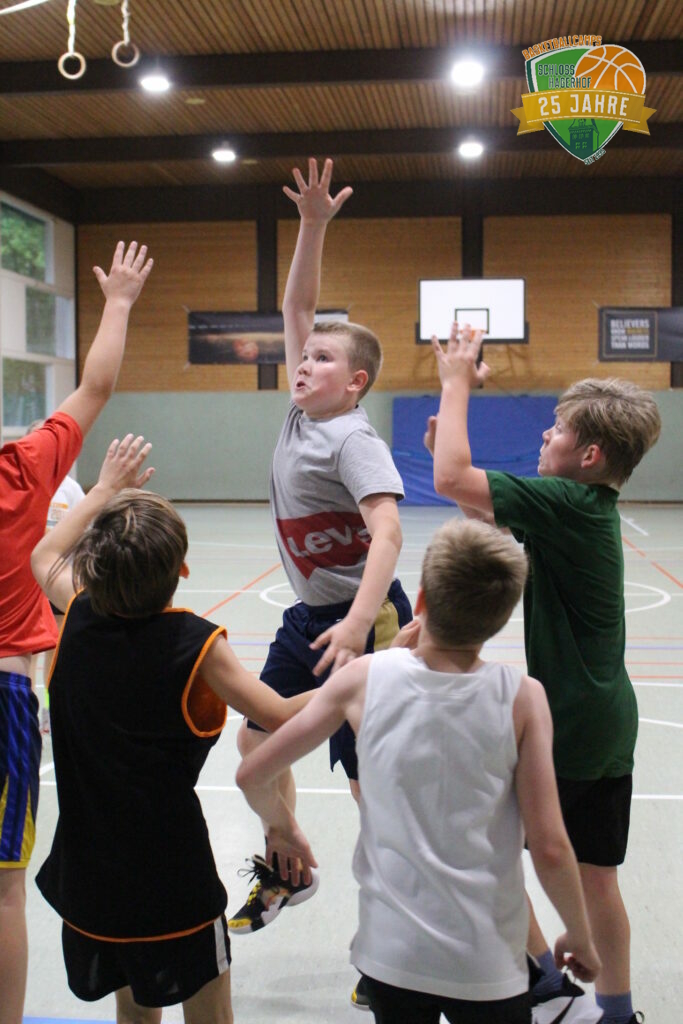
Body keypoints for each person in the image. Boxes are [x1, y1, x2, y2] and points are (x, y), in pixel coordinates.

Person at [236, 518, 602, 1024]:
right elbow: (550, 846)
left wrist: (283, 828)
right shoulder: (522, 697)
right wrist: (579, 934)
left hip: (390, 958)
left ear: (422, 599)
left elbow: (251, 773)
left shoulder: (363, 678)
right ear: (499, 620)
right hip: (486, 962)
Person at [30, 435, 316, 1024]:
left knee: (134, 1015)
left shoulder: (77, 614)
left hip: (88, 878)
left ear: (92, 566)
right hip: (171, 882)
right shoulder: (197, 647)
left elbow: (45, 553)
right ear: (182, 570)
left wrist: (105, 488)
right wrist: (368, 675)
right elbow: (284, 716)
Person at [428, 323, 661, 1024]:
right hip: (604, 719)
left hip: (571, 725)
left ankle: (547, 984)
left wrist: (456, 383)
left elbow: (450, 479)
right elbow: (482, 513)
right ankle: (615, 1013)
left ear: (588, 455)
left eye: (556, 430)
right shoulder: (582, 510)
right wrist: (451, 447)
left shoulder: (567, 504)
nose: (543, 435)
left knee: (489, 854)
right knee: (596, 877)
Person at [230, 158, 411, 1003]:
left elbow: (389, 533)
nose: (303, 362)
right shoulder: (300, 414)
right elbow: (297, 309)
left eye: (322, 358)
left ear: (356, 382)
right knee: (253, 748)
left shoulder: (353, 440)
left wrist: (360, 623)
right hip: (309, 620)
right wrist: (310, 226)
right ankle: (288, 863)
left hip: (365, 622)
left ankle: (390, 951)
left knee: (376, 795)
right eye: (302, 357)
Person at [0, 240, 152, 1024]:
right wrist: (118, 301)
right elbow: (96, 385)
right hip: (4, 692)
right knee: (2, 891)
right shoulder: (21, 469)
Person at [25, 418, 87, 735]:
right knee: (25, 652)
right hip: (26, 583)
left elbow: (86, 530)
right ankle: (25, 707)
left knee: (56, 650)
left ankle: (50, 709)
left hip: (58, 581)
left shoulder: (70, 489)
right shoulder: (21, 485)